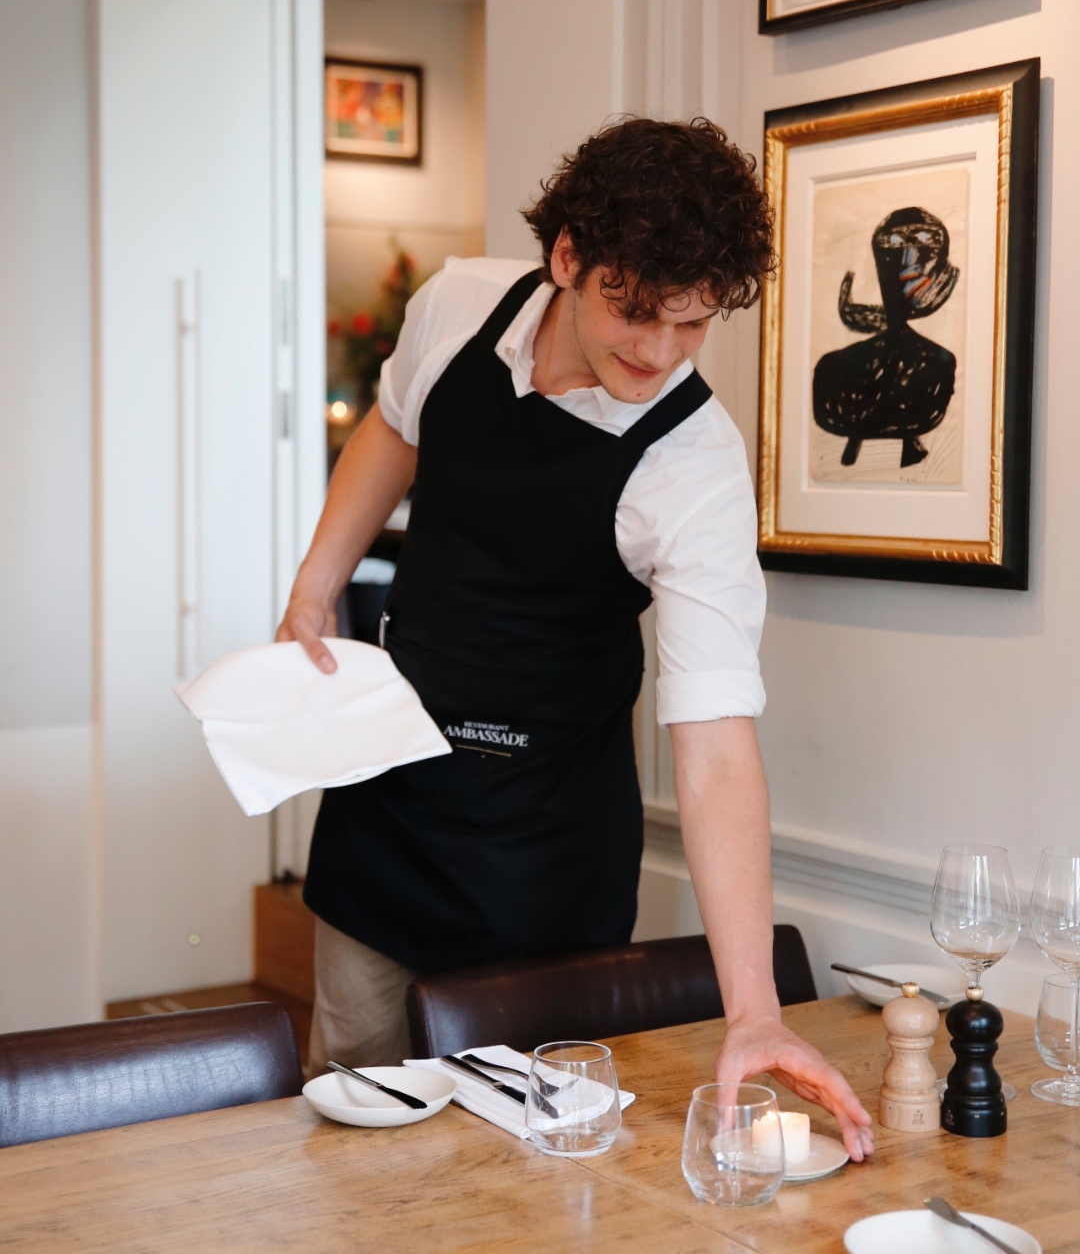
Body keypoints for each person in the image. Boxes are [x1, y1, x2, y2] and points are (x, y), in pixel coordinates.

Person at [277, 116, 874, 1160]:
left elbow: (719, 743)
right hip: (388, 809)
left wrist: (753, 1010)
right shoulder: (459, 304)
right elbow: (394, 426)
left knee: (516, 1162)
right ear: (566, 256)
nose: (656, 352)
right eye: (633, 311)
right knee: (348, 1119)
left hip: (543, 851)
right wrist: (314, 586)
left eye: (691, 327)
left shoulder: (693, 466)